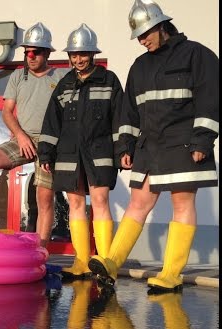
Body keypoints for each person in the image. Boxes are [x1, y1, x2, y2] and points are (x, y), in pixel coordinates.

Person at [89, 0, 219, 292]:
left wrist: (202, 140)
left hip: (183, 142)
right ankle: (111, 262)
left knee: (182, 203)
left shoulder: (196, 54)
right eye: (138, 36)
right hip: (150, 145)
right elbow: (130, 112)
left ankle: (171, 274)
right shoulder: (139, 66)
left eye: (146, 33)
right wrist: (126, 146)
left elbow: (211, 100)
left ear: (161, 26)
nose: (142, 40)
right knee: (138, 203)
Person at [37, 23, 123, 277]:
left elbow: (120, 117)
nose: (78, 59)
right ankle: (82, 262)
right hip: (69, 153)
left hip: (100, 150)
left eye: (83, 54)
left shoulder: (109, 80)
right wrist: (45, 152)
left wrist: (123, 150)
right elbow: (52, 122)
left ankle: (106, 262)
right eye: (74, 55)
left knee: (99, 201)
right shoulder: (64, 85)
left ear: (92, 54)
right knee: (75, 203)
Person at [0, 22, 66, 246]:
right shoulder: (18, 76)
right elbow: (7, 112)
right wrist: (21, 135)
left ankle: (41, 250)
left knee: (44, 199)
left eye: (35, 52)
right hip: (22, 138)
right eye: (27, 52)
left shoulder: (62, 76)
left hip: (50, 143)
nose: (30, 56)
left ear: (47, 52)